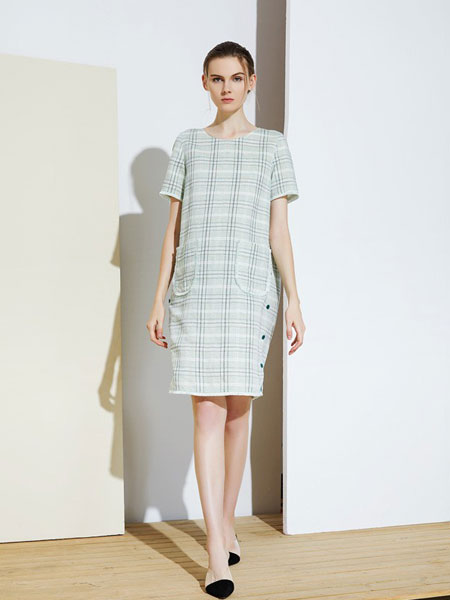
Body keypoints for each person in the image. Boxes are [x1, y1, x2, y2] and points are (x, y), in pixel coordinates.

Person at [147, 41, 305, 599]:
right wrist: (158, 299)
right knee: (207, 414)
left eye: (236, 78)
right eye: (217, 79)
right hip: (196, 293)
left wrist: (295, 298)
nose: (227, 88)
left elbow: (279, 232)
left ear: (251, 81)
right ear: (204, 83)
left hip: (249, 293)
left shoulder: (272, 146)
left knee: (239, 414)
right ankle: (217, 550)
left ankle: (226, 523)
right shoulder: (188, 144)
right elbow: (172, 231)